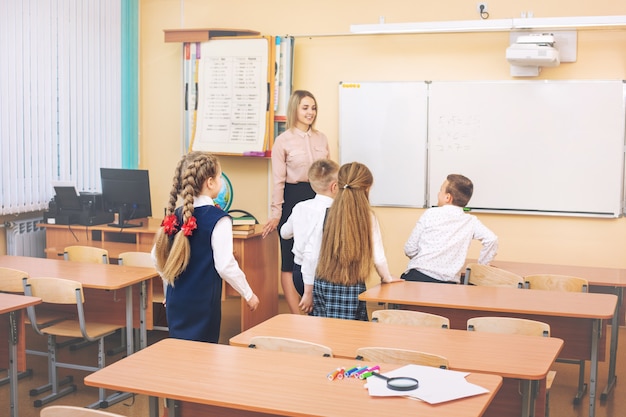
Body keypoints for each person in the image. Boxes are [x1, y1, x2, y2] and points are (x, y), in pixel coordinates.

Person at [153, 151, 260, 343]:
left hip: (176, 301)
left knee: (180, 354)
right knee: (203, 358)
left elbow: (157, 257)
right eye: (219, 177)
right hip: (202, 305)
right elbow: (225, 265)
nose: (220, 181)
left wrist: (168, 290)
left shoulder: (175, 215)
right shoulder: (218, 219)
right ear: (210, 182)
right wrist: (248, 294)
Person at [262, 90, 330, 314]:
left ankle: (316, 308)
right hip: (292, 198)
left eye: (313, 108)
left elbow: (329, 174)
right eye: (305, 108)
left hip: (319, 197)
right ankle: (297, 315)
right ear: (295, 109)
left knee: (316, 254)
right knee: (290, 258)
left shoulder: (321, 138)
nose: (310, 112)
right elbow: (278, 181)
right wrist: (276, 213)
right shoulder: (283, 141)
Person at [308, 162, 395, 321]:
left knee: (323, 331)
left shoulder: (325, 213)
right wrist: (386, 278)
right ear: (366, 189)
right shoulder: (368, 218)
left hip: (323, 283)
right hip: (351, 286)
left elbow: (313, 255)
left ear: (338, 185)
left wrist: (308, 289)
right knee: (351, 335)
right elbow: (378, 257)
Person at [402, 174, 498, 284]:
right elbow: (492, 239)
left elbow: (409, 248)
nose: (438, 193)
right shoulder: (471, 221)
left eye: (440, 190)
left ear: (448, 197)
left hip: (417, 277)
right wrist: (483, 265)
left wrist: (424, 260)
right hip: (448, 283)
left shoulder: (430, 214)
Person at [280, 158, 339, 314]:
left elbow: (284, 233)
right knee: (321, 317)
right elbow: (312, 256)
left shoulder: (300, 207)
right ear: (335, 187)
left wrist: (299, 231)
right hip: (316, 276)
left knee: (314, 315)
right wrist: (308, 291)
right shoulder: (333, 211)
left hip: (297, 273)